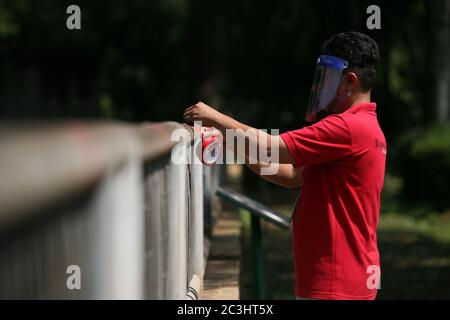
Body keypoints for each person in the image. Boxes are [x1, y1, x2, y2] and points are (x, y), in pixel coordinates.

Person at [183, 31, 386, 300]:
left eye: (327, 80)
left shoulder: (347, 128)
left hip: (335, 282)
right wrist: (230, 141)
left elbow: (270, 147)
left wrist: (215, 117)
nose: (319, 88)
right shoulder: (366, 127)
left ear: (349, 81)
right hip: (346, 278)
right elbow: (289, 174)